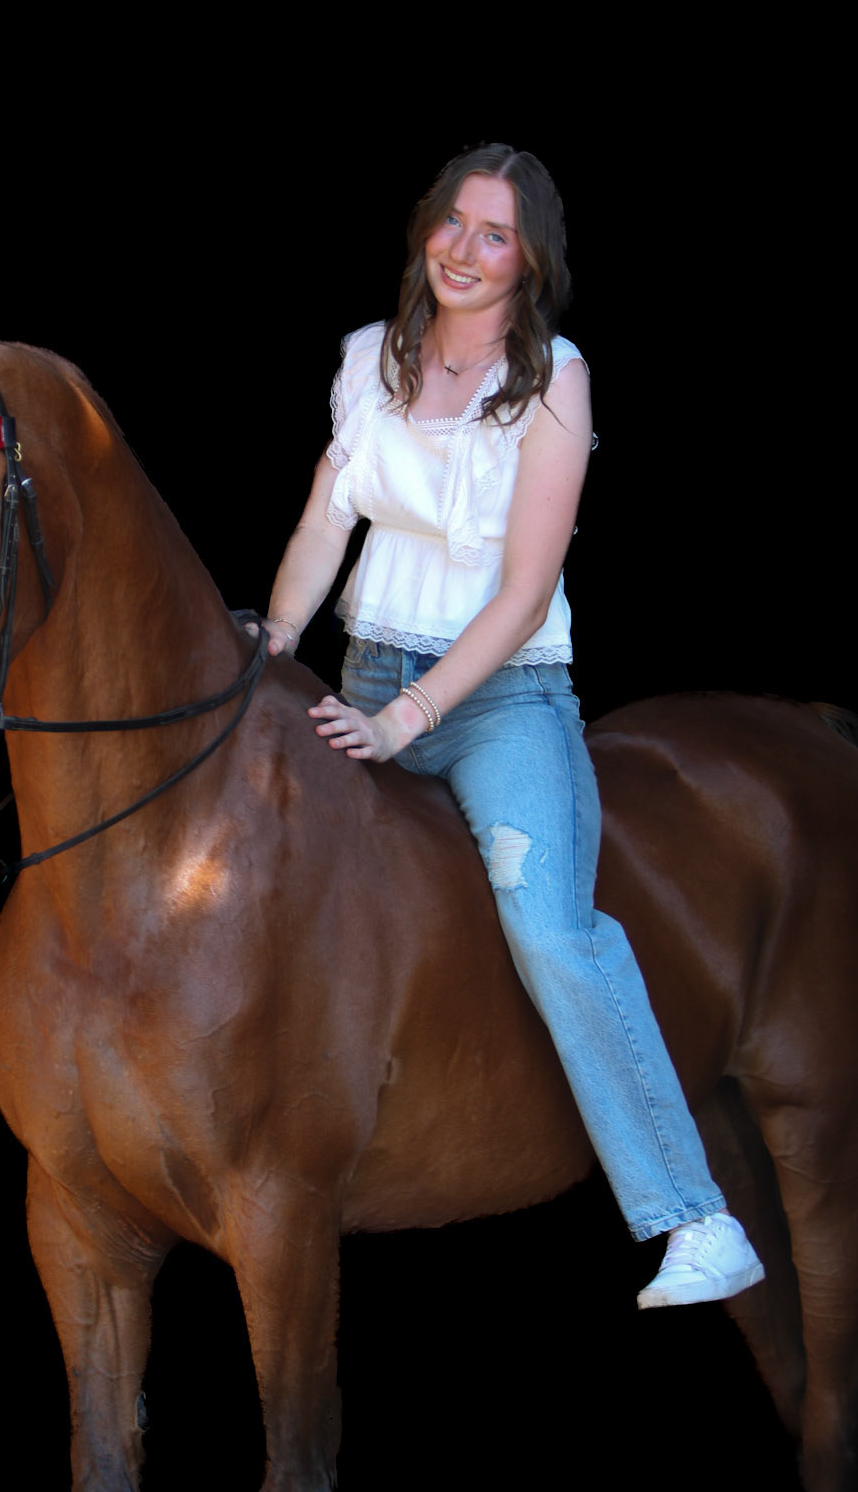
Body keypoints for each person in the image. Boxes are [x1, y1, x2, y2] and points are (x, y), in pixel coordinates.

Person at [259, 143, 763, 1309]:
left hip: (501, 700)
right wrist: (276, 634)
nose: (466, 249)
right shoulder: (368, 359)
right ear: (425, 228)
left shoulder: (555, 380)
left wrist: (409, 718)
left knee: (552, 926)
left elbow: (526, 591)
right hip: (367, 665)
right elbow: (325, 523)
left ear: (528, 261)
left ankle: (693, 1216)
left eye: (496, 234)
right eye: (454, 222)